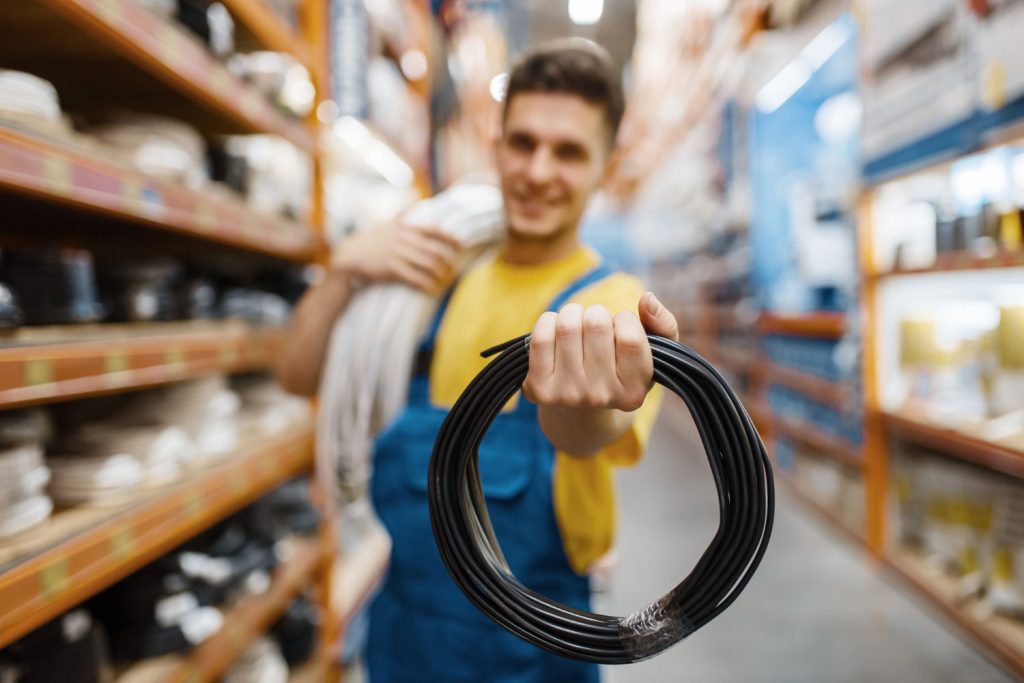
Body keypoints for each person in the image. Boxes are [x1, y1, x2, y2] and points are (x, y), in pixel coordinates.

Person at [277, 41, 679, 683]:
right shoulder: (435, 279)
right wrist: (345, 271)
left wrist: (583, 401)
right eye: (523, 143)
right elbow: (296, 376)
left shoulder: (613, 306)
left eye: (569, 152)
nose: (538, 171)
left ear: (605, 168)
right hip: (406, 629)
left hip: (534, 641)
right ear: (497, 148)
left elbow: (587, 434)